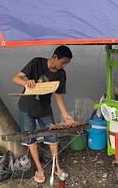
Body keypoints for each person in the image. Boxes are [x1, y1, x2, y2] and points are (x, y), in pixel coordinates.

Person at [12, 45, 74, 183]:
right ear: (55, 57)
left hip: (44, 109)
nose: (64, 66)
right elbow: (15, 78)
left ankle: (57, 168)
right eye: (63, 62)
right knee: (31, 138)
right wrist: (26, 82)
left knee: (53, 137)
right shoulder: (36, 62)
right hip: (26, 108)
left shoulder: (61, 74)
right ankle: (39, 169)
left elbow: (58, 95)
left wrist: (65, 114)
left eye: (66, 64)